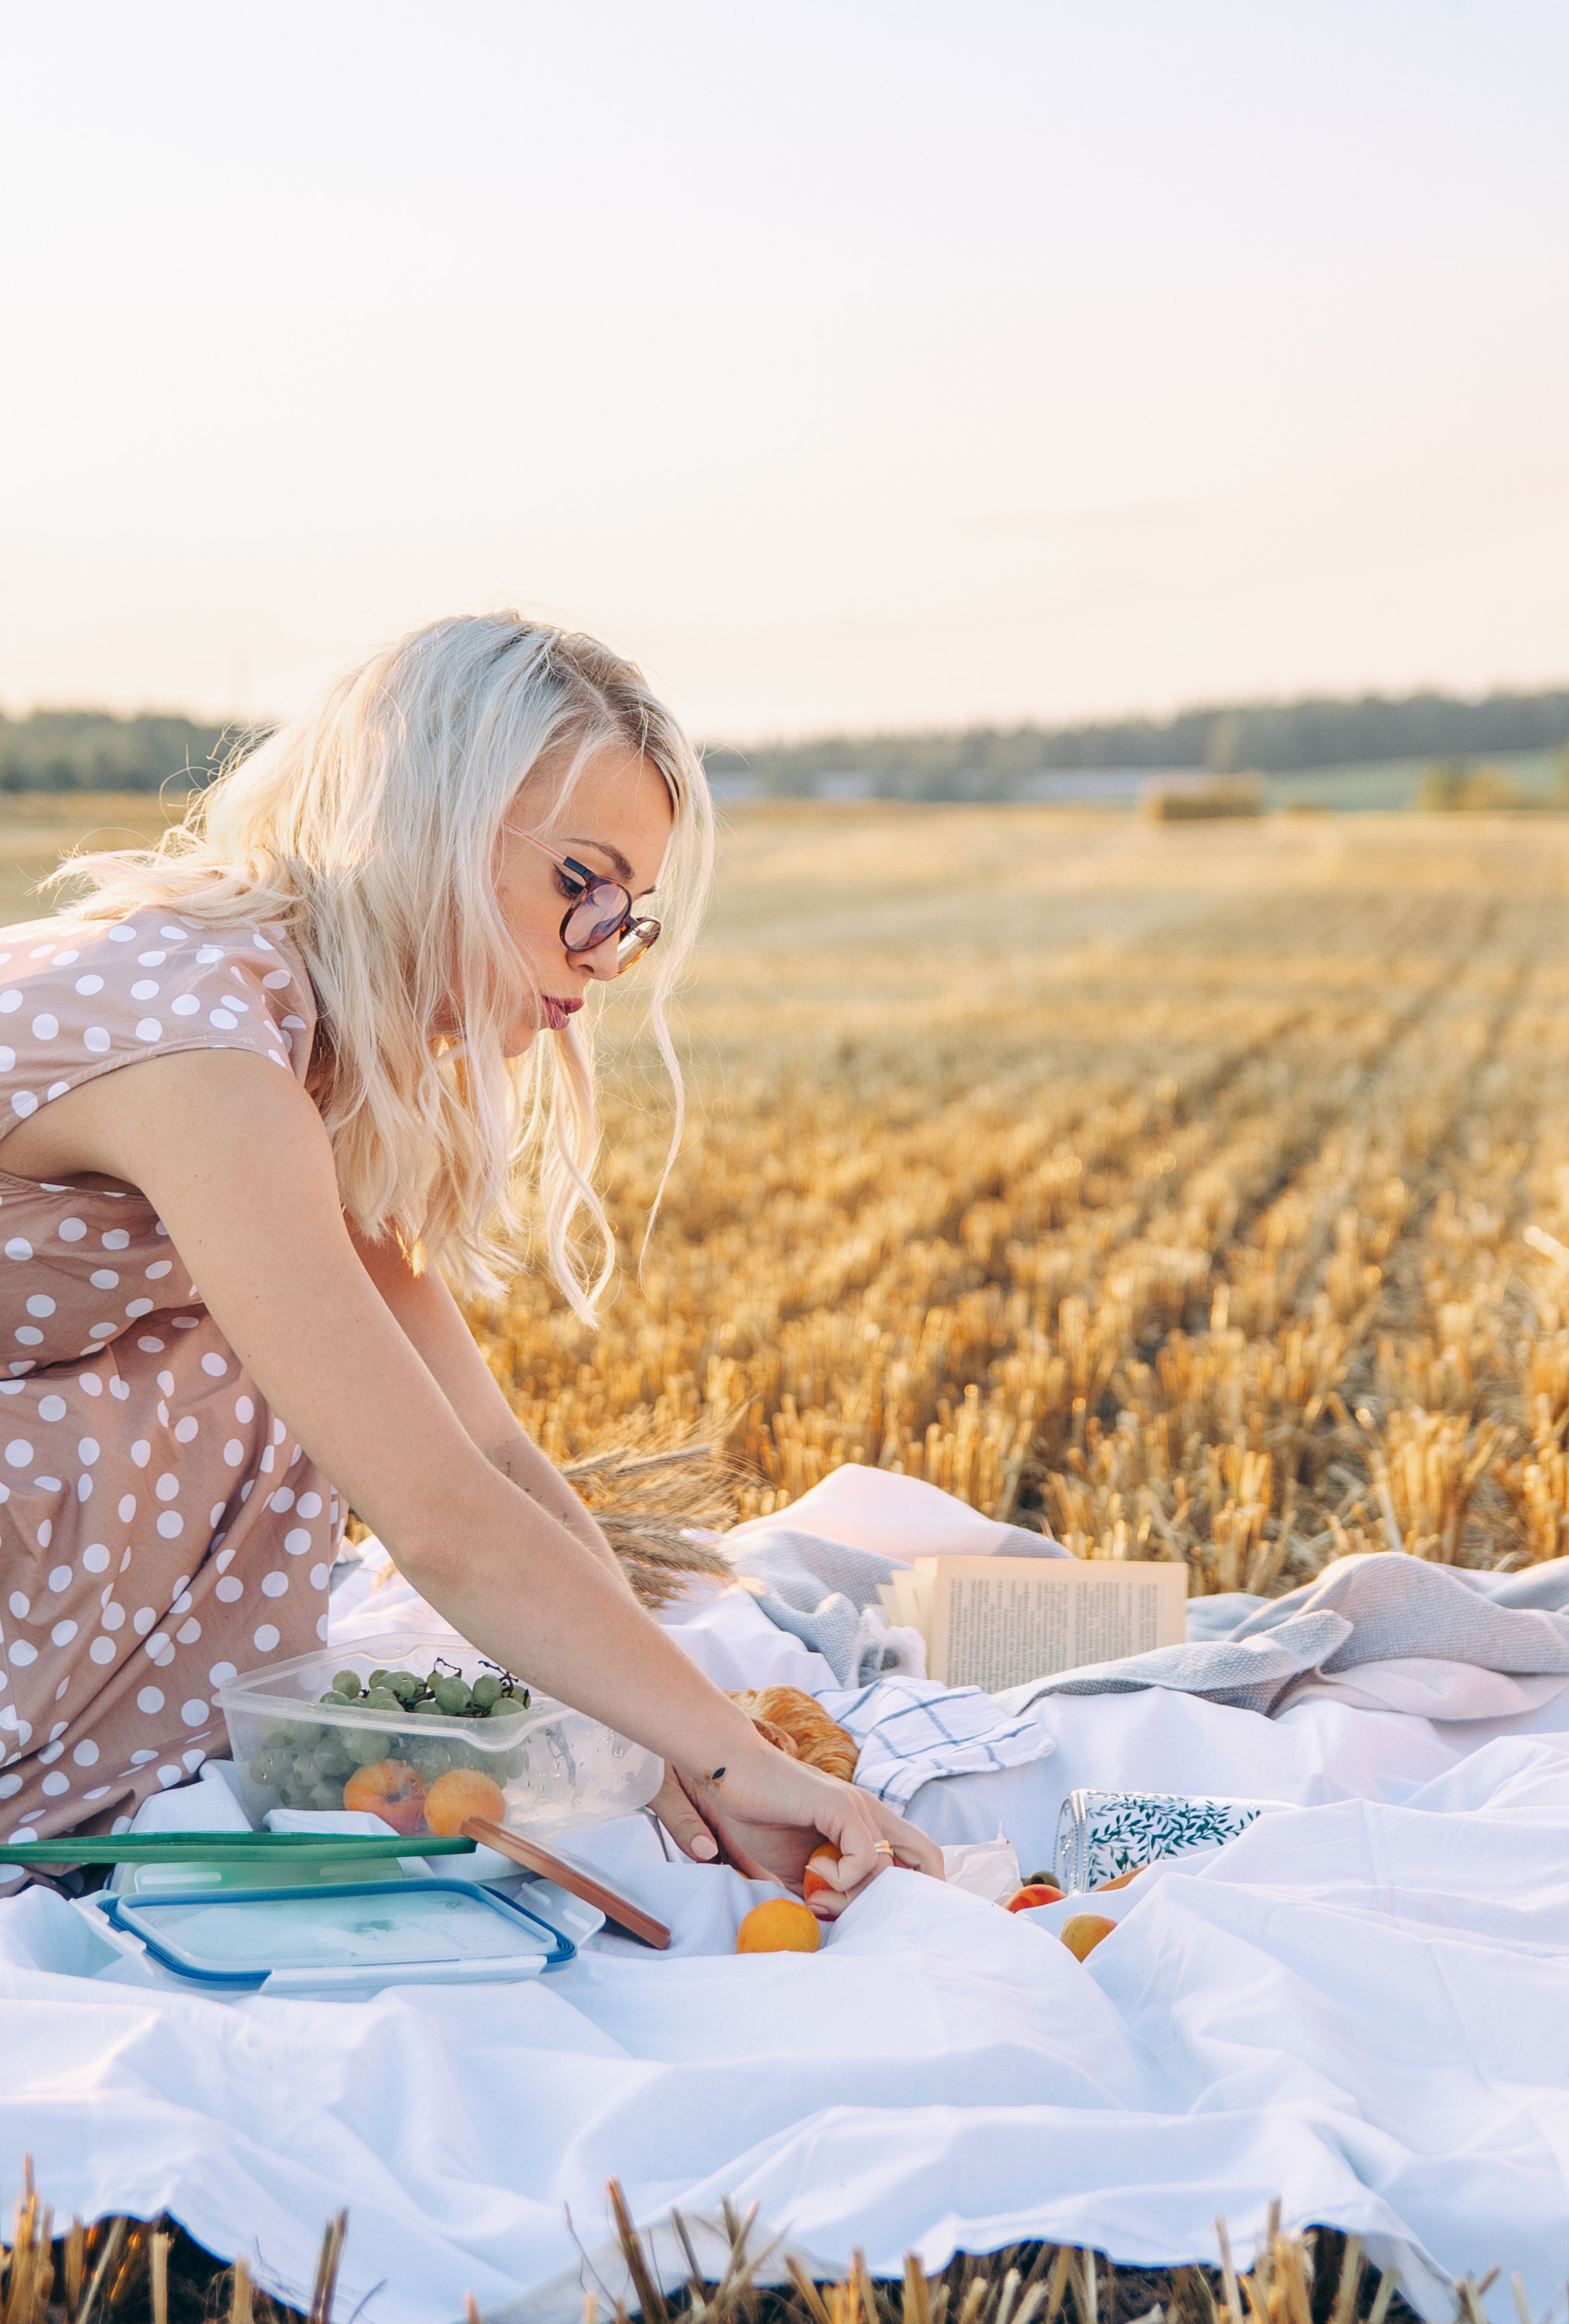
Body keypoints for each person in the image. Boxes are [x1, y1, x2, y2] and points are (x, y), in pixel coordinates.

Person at [0, 611, 939, 1905]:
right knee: (255, 1375)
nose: (603, 950)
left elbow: (488, 1451)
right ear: (426, 819)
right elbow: (435, 1512)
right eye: (580, 883)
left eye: (631, 915)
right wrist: (723, 1758)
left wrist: (670, 1734)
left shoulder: (315, 1056)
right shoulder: (209, 1060)